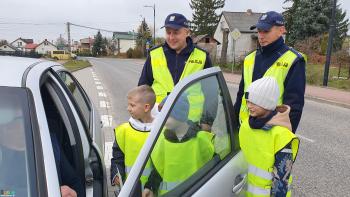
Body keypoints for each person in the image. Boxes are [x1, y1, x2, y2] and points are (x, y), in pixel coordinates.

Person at [138, 13, 216, 130]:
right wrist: (142, 114)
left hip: (191, 124)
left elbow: (211, 94)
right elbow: (143, 88)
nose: (171, 37)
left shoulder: (202, 57)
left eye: (176, 33)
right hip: (158, 121)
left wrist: (207, 122)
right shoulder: (155, 54)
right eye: (168, 33)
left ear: (187, 32)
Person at [233, 11, 306, 133]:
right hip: (245, 129)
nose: (260, 36)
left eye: (266, 31)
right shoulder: (249, 58)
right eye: (259, 31)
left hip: (270, 132)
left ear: (281, 30)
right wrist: (234, 122)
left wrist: (285, 140)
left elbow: (294, 106)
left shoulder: (293, 60)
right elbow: (241, 94)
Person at [143, 94, 215, 196]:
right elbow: (158, 170)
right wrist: (150, 187)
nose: (163, 119)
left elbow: (213, 166)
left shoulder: (200, 139)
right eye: (163, 115)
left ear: (180, 115)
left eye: (168, 115)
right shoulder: (163, 139)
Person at [238, 77, 299, 197]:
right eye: (248, 101)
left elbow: (282, 179)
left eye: (254, 102)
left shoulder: (281, 135)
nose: (249, 106)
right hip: (242, 191)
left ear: (267, 103)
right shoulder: (245, 125)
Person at [110, 85, 156, 193]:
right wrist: (117, 174)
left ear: (146, 107)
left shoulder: (160, 132)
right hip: (130, 188)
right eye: (128, 104)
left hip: (153, 189)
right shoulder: (124, 130)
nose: (128, 108)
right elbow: (117, 158)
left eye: (132, 105)